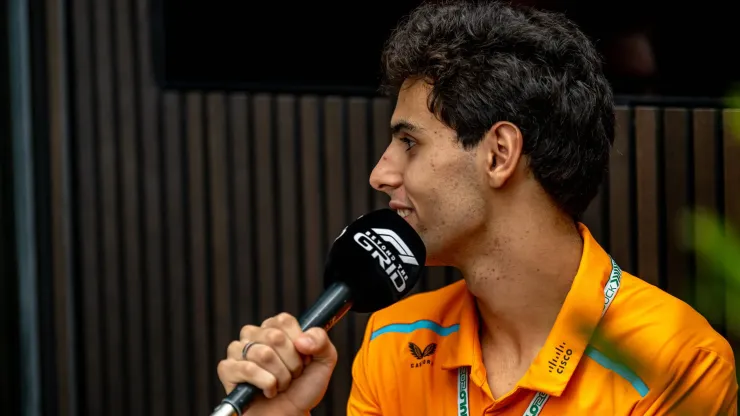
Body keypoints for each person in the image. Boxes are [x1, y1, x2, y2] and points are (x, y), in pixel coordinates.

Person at [216, 1, 738, 415]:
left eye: (409, 142)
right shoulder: (393, 339)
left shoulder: (678, 361)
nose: (381, 174)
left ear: (499, 153)